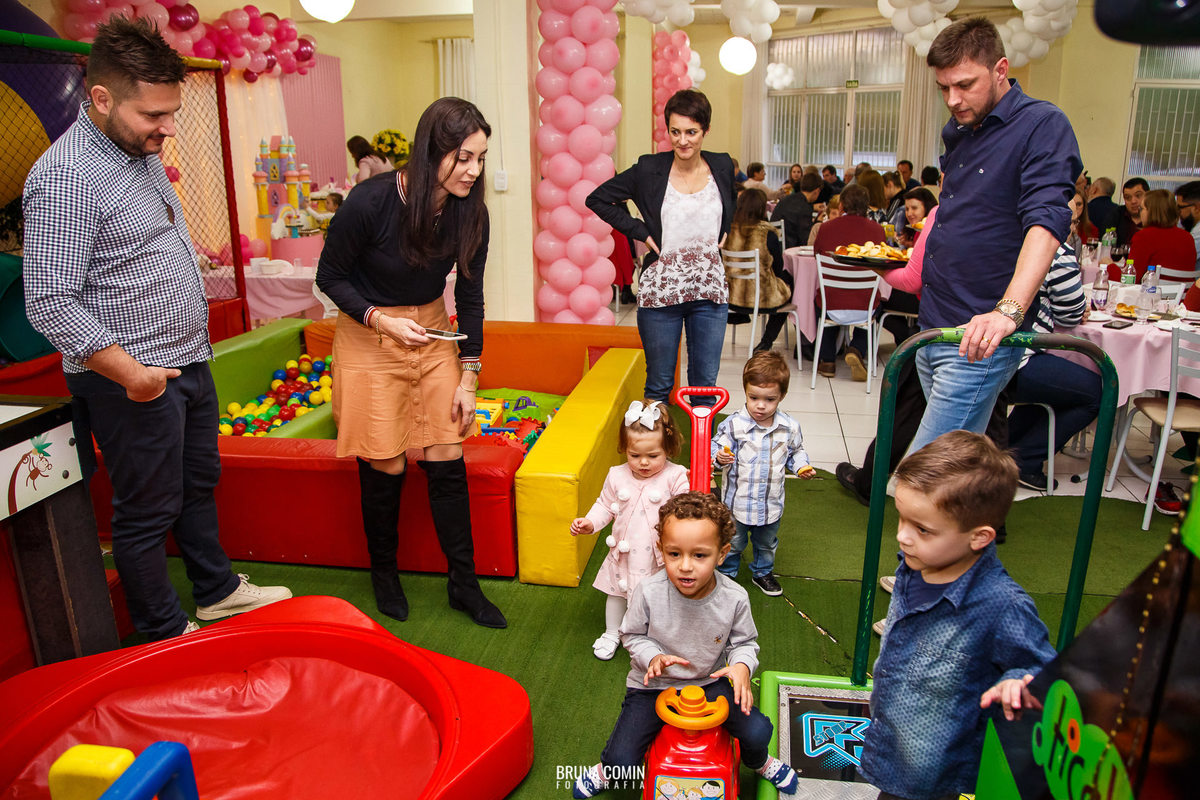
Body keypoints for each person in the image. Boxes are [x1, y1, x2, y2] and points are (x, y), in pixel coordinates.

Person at [22, 17, 292, 641]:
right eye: (153, 114)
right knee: (147, 510)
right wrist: (133, 376)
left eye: (172, 112)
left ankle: (217, 590)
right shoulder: (66, 177)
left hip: (185, 358)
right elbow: (50, 302)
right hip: (131, 376)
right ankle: (162, 631)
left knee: (197, 483)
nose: (168, 128)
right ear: (101, 98)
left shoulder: (137, 150)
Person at [316, 96, 506, 629]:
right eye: (463, 158)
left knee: (447, 451)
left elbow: (470, 297)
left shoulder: (470, 211)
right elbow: (329, 277)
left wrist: (469, 374)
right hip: (369, 332)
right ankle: (385, 574)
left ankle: (464, 584)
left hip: (432, 330)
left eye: (480, 158)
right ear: (430, 152)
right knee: (387, 460)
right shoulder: (370, 200)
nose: (473, 170)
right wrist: (380, 319)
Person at [905, 16, 1081, 455]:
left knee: (924, 474)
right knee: (960, 466)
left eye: (965, 85)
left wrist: (1008, 312)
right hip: (935, 322)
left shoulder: (1042, 123)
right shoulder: (960, 128)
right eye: (944, 88)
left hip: (978, 334)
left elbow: (1046, 223)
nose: (953, 99)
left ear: (1001, 69)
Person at [858, 431, 1056, 799]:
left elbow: (1041, 668)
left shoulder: (1002, 605)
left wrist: (1019, 682)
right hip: (894, 736)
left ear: (979, 537)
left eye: (922, 529)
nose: (903, 537)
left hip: (935, 767)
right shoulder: (916, 564)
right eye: (902, 519)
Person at [570, 491, 801, 799]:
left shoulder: (734, 598)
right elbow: (631, 635)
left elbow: (744, 642)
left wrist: (742, 666)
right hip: (652, 686)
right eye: (674, 554)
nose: (685, 566)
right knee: (621, 761)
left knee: (758, 731)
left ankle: (759, 762)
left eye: (700, 555)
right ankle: (606, 768)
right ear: (661, 549)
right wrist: (653, 657)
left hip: (710, 682)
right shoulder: (648, 591)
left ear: (722, 554)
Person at [587, 90, 735, 406]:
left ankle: (698, 441)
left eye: (691, 132)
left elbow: (727, 203)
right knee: (658, 386)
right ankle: (656, 441)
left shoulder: (721, 165)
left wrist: (725, 229)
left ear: (705, 131)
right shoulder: (649, 169)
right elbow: (597, 198)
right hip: (661, 292)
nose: (682, 141)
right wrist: (640, 231)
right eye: (675, 132)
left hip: (709, 291)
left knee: (705, 390)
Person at [570, 400, 689, 660]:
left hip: (658, 556)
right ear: (625, 449)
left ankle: (656, 636)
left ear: (668, 448)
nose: (643, 462)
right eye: (635, 455)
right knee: (616, 593)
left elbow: (686, 509)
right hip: (624, 554)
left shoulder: (676, 475)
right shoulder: (617, 475)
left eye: (653, 456)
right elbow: (605, 505)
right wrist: (590, 523)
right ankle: (612, 631)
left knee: (660, 597)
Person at [711, 351, 814, 596]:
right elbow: (716, 447)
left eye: (769, 399)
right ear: (745, 391)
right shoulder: (733, 425)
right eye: (753, 397)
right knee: (733, 542)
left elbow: (796, 451)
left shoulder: (789, 427)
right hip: (737, 504)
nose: (760, 405)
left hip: (770, 504)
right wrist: (719, 457)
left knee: (766, 543)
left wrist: (801, 466)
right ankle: (726, 574)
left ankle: (762, 572)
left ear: (782, 396)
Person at [1005, 244, 1099, 491]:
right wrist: (1080, 310)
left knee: (1057, 385)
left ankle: (1008, 450)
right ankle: (1025, 461)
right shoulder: (1053, 248)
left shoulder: (1000, 238)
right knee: (1095, 392)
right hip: (1014, 356)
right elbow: (1070, 315)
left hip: (973, 350)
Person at [812, 184, 887, 380]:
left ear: (842, 205)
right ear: (867, 206)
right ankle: (857, 348)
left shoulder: (826, 228)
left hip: (831, 304)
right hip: (865, 305)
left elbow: (816, 254)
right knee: (879, 302)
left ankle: (827, 360)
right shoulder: (878, 230)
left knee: (821, 299)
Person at [726, 189, 792, 351]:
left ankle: (742, 317)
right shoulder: (767, 233)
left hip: (733, 297)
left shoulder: (728, 231)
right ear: (762, 208)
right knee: (792, 285)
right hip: (763, 298)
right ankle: (766, 342)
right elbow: (777, 268)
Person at [1117, 189, 1197, 282]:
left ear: (1152, 212)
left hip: (1152, 290)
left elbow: (1131, 277)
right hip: (1184, 291)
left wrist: (1109, 267)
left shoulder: (1144, 236)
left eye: (1142, 209)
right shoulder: (1188, 237)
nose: (1140, 212)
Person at [770, 172, 822, 249]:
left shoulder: (787, 199)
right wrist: (818, 222)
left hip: (774, 243)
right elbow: (805, 239)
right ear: (817, 191)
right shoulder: (804, 207)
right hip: (791, 247)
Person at [1115, 177, 1149, 247]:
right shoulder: (1116, 214)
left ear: (1148, 195)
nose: (1133, 201)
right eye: (1128, 197)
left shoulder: (1156, 219)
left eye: (1138, 196)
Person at [1175, 181, 1200, 274]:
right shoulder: (1192, 226)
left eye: (1180, 207)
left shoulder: (1198, 233)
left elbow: (1177, 258)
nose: (1178, 212)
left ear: (1197, 208)